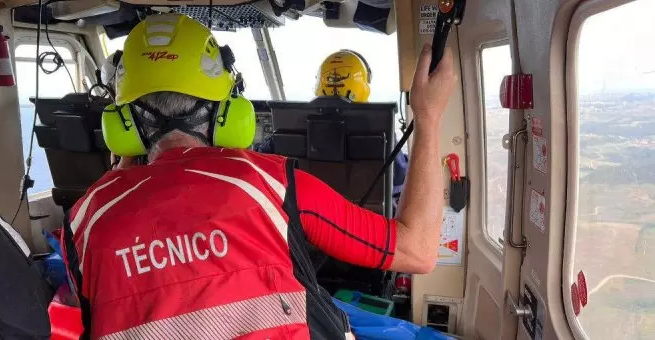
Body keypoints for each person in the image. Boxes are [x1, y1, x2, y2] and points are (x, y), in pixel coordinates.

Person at [62, 13, 456, 340]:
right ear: (227, 111)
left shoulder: (83, 221)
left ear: (123, 123)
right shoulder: (273, 184)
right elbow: (418, 250)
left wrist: (121, 171)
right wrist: (429, 115)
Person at [255, 49, 409, 210]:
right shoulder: (381, 132)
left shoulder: (287, 126)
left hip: (300, 228)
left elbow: (259, 164)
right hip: (363, 228)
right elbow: (400, 180)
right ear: (362, 87)